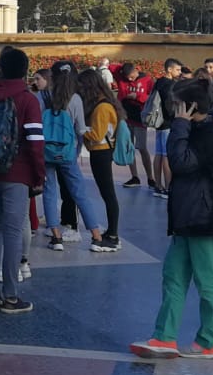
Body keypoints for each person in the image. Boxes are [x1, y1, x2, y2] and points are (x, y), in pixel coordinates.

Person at [131, 78, 213, 360]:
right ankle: (164, 337)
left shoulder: (212, 133)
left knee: (207, 280)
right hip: (187, 216)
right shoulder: (197, 129)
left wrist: (179, 126)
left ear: (188, 107)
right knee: (173, 276)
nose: (170, 109)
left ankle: (209, 341)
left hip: (206, 216)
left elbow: (181, 163)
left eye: (175, 105)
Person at [0, 46, 46, 313]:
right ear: (25, 70)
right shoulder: (27, 100)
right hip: (16, 172)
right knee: (12, 230)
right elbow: (35, 142)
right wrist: (38, 174)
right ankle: (10, 294)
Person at [42, 65, 113, 253]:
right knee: (79, 193)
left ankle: (56, 236)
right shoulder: (75, 99)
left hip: (47, 152)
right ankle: (96, 236)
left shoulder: (44, 97)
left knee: (49, 192)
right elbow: (80, 129)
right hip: (68, 152)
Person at [77, 68, 124, 251]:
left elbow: (97, 134)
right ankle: (111, 232)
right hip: (101, 151)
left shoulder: (102, 107)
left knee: (108, 193)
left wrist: (81, 129)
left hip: (101, 152)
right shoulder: (103, 103)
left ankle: (113, 235)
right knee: (107, 193)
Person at [150, 59, 185, 196]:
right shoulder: (171, 85)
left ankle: (158, 185)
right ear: (169, 70)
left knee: (158, 153)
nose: (179, 72)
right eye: (177, 69)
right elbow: (171, 106)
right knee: (166, 155)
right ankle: (168, 186)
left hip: (158, 123)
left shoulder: (158, 82)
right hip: (167, 123)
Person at [116, 62, 154, 187]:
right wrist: (123, 68)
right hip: (126, 117)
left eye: (131, 77)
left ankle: (150, 177)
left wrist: (138, 96)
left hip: (139, 118)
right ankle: (135, 176)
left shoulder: (147, 80)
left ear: (136, 70)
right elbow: (111, 67)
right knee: (129, 147)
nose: (130, 80)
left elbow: (152, 97)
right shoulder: (122, 79)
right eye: (127, 78)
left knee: (142, 147)